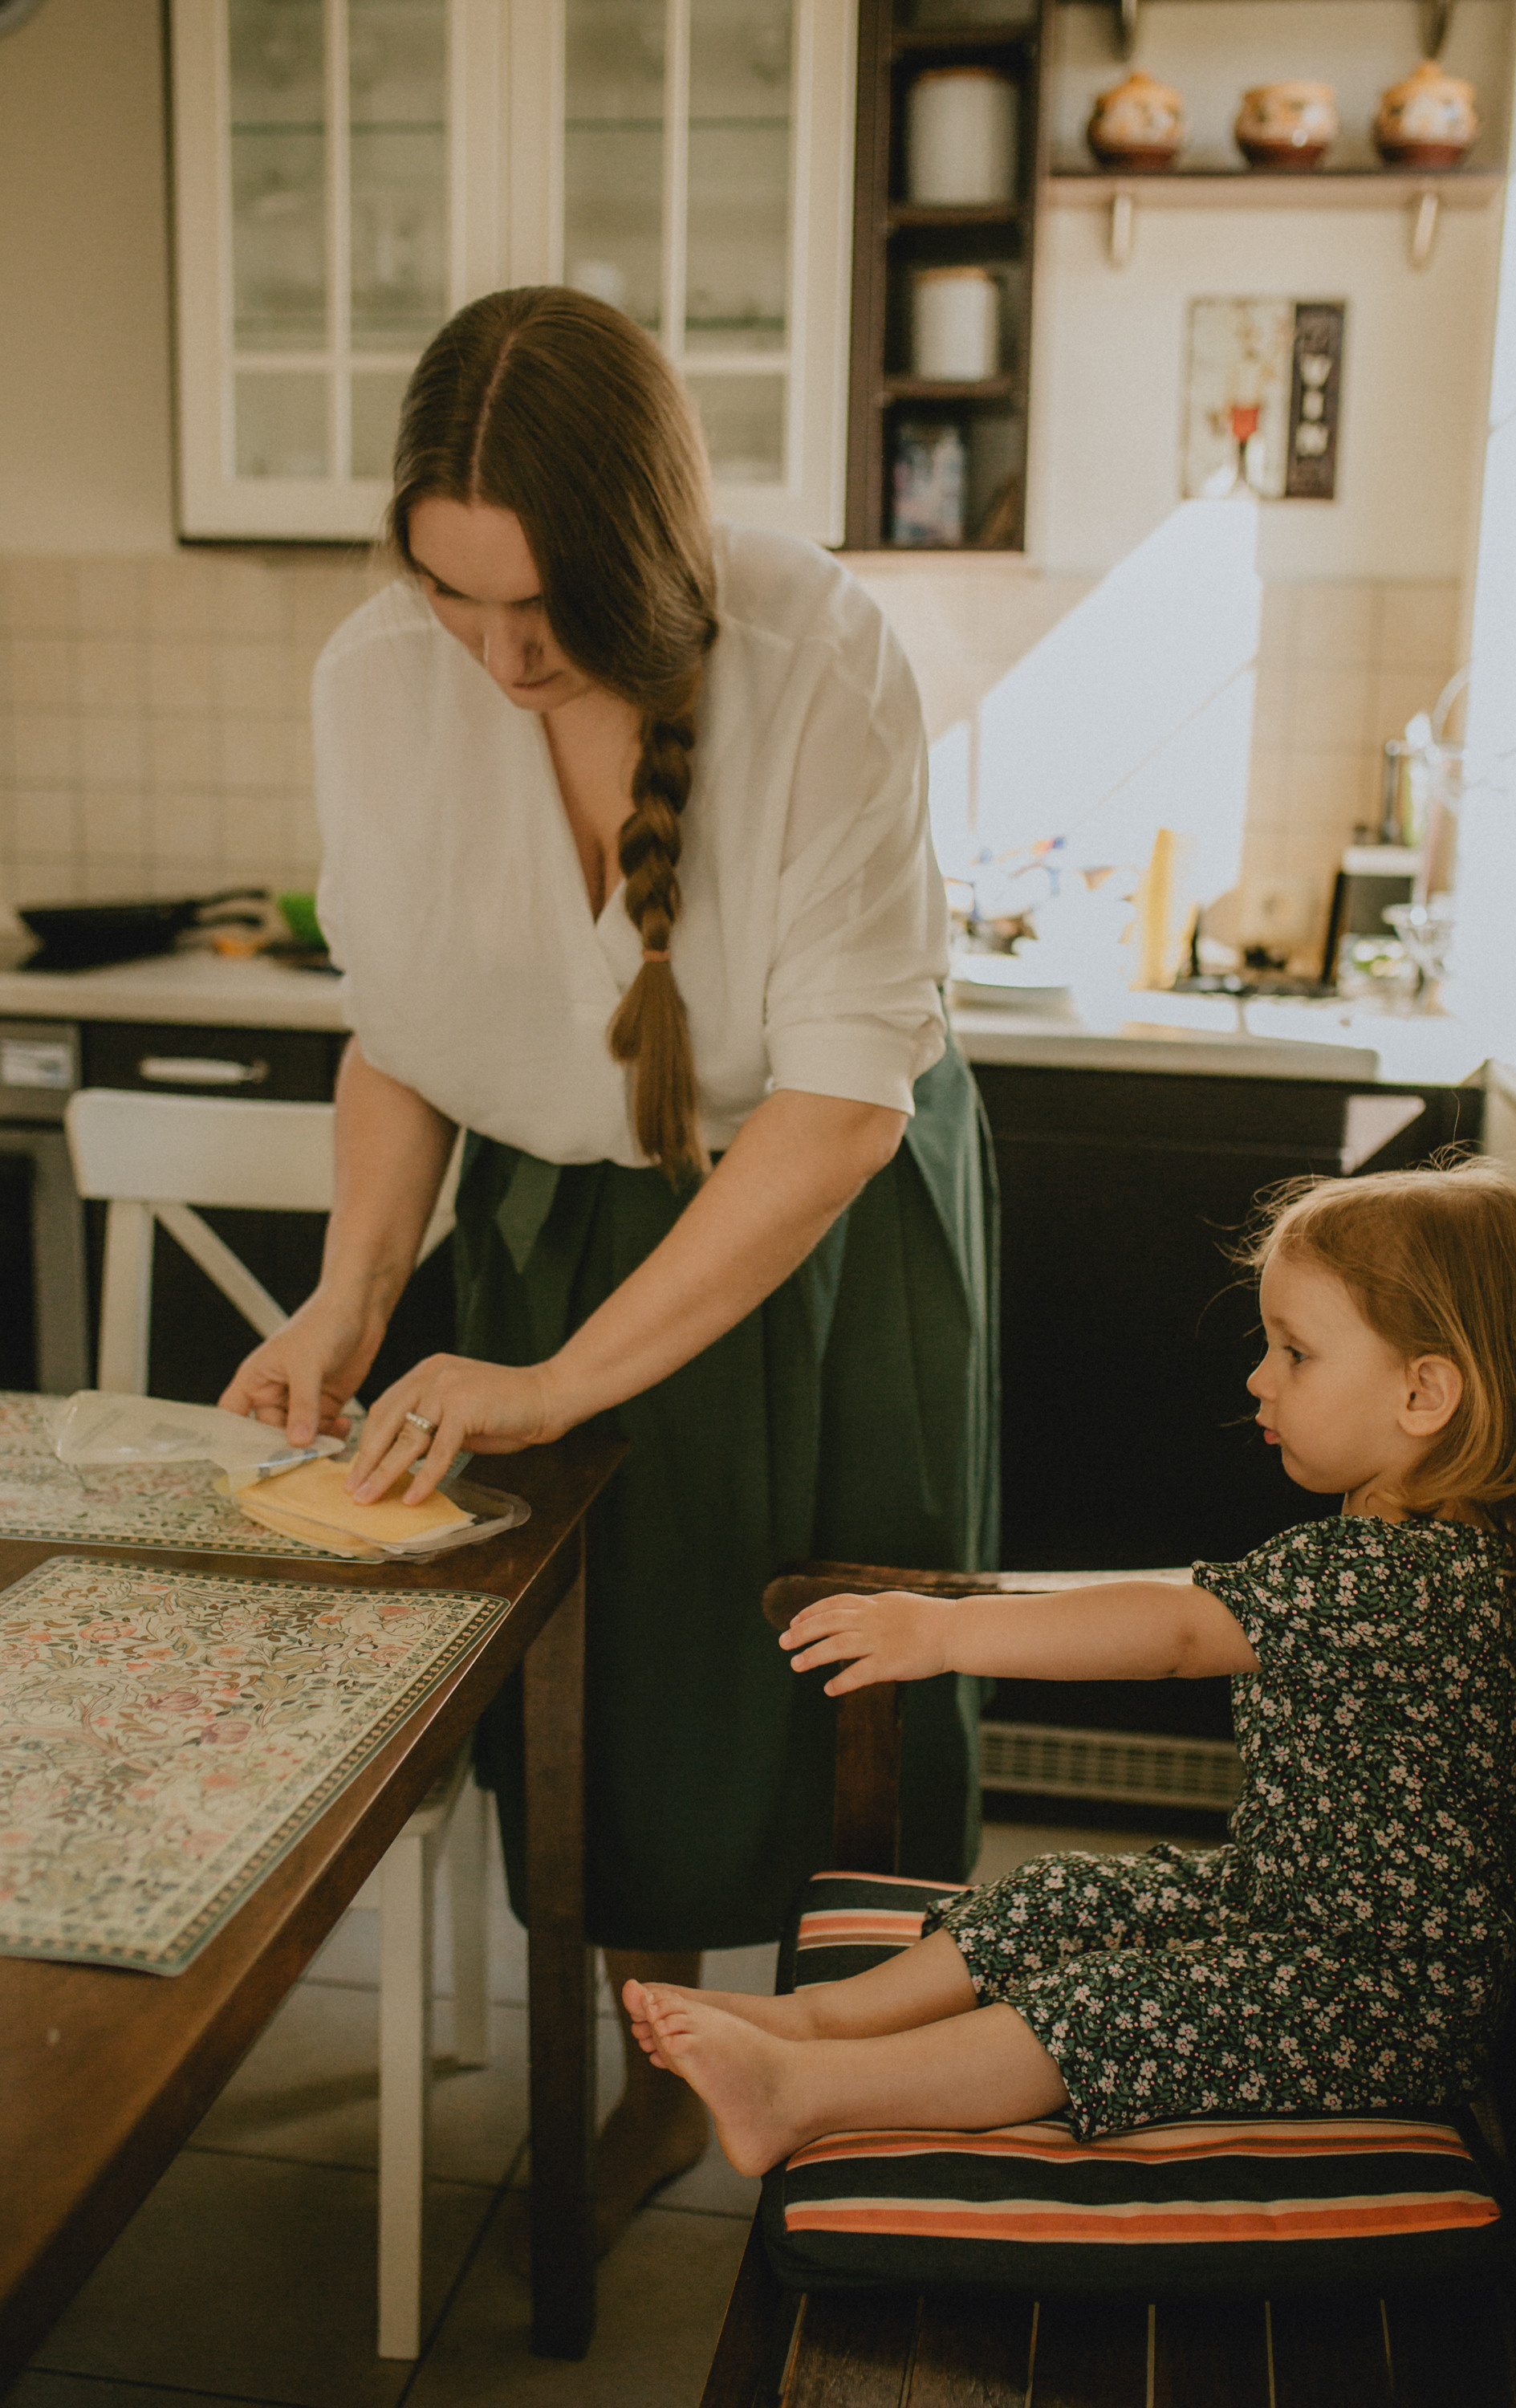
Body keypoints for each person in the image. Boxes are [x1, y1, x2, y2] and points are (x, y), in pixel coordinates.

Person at [220, 286, 997, 2246]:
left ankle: (867, 2062)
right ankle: (660, 2067)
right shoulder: (378, 676)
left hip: (816, 1206)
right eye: (448, 595)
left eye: (536, 613)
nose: (489, 655)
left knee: (835, 1647)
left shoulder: (816, 652)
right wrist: (352, 1294)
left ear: (648, 555)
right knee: (605, 1677)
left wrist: (560, 1378)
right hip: (561, 1200)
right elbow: (400, 1025)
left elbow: (833, 1107)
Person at [620, 1162, 1516, 2176]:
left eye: (1295, 1354)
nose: (1259, 1381)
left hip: (1374, 1996)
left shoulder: (1395, 1578)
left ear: (1423, 1392)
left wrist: (948, 1634)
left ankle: (806, 2090)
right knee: (1061, 1896)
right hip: (1296, 1913)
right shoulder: (1410, 1549)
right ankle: (813, 2021)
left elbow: (1175, 1631)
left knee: (1110, 2007)